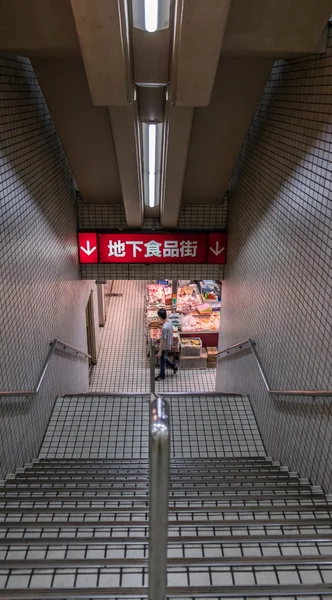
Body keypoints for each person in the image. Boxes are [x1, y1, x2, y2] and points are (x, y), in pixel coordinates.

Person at [155, 307, 178, 381]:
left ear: (160, 317)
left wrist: (160, 351)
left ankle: (162, 375)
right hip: (169, 343)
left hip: (164, 346)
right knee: (164, 358)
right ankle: (174, 367)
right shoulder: (169, 321)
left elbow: (164, 340)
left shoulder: (164, 327)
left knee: (162, 361)